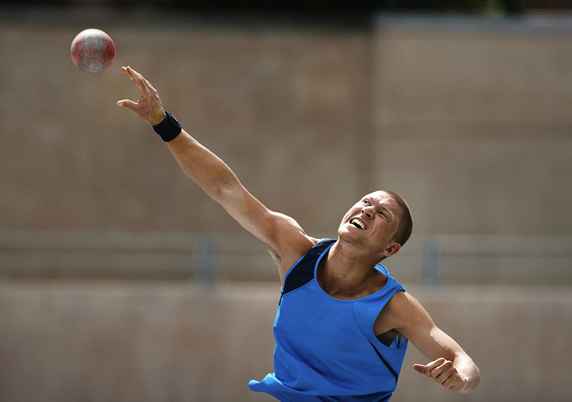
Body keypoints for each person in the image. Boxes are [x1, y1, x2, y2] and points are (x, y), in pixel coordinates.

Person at [117, 65, 480, 401]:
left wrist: (459, 377)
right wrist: (163, 123)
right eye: (366, 202)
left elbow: (461, 360)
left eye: (382, 213)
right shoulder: (295, 250)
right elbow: (225, 189)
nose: (367, 209)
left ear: (391, 248)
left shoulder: (392, 306)